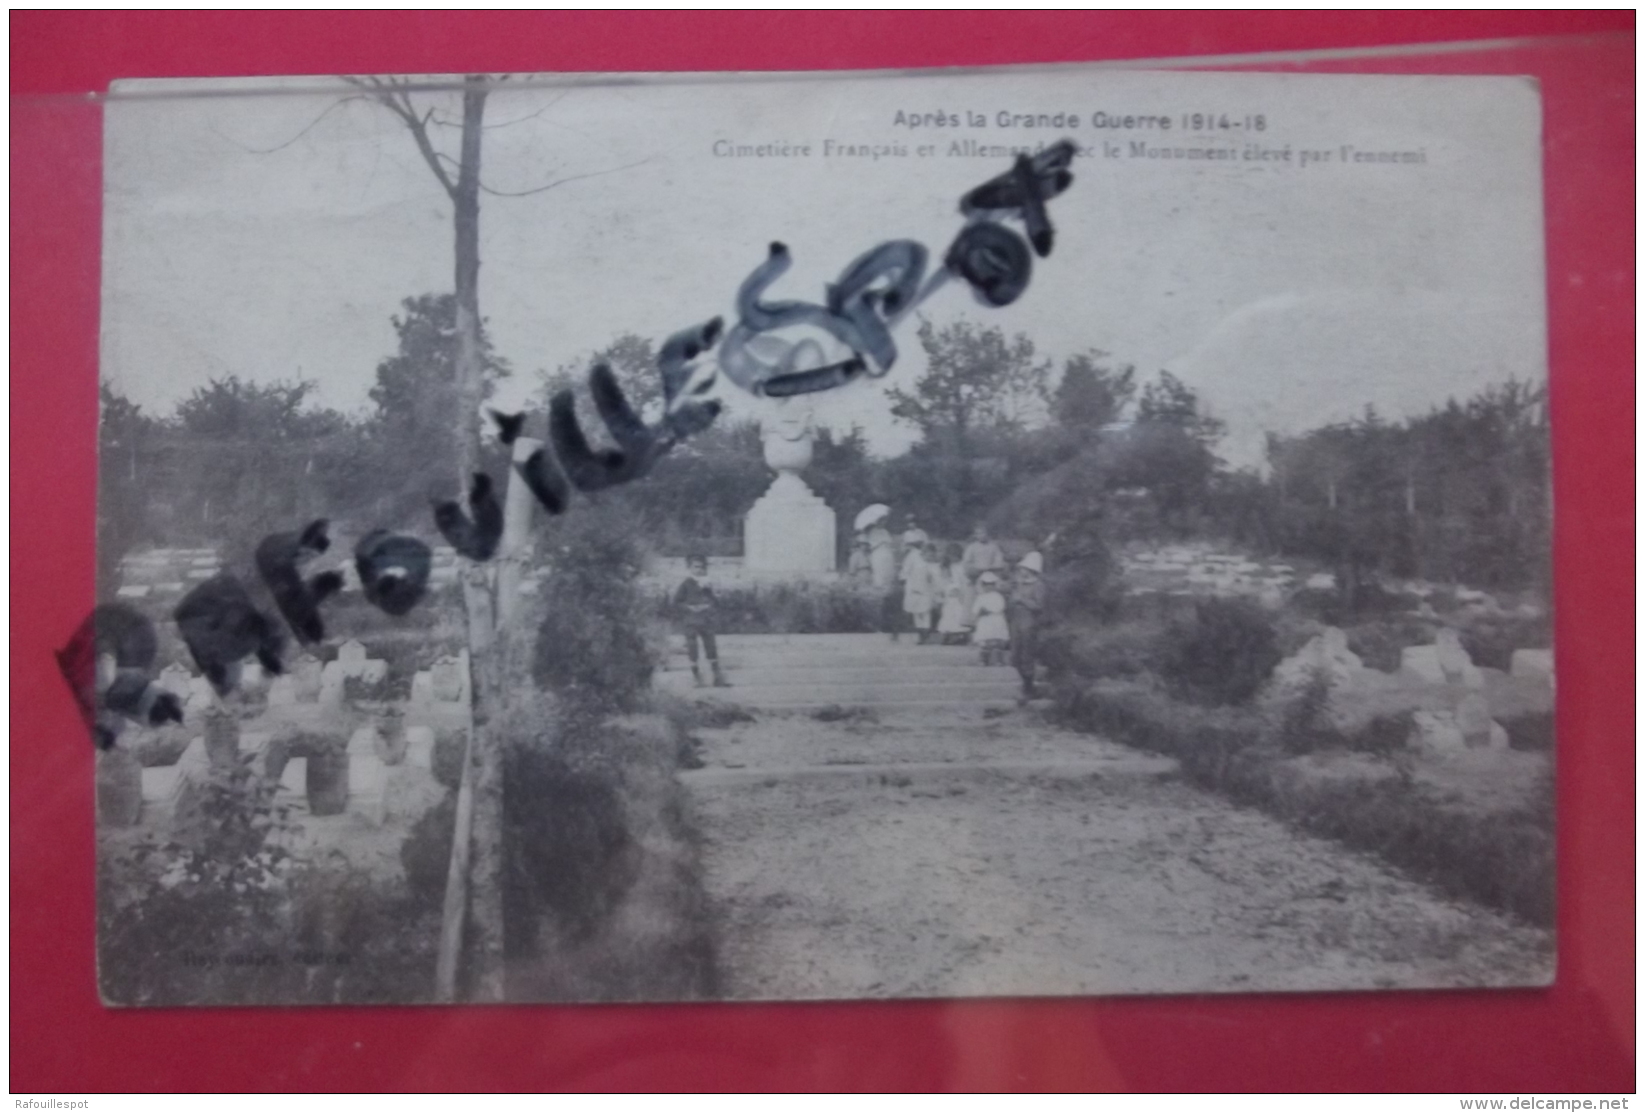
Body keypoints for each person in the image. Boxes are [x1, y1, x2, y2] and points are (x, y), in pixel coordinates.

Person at [674, 554, 729, 688]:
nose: (699, 570)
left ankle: (717, 677)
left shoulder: (707, 584)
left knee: (711, 647)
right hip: (691, 621)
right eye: (696, 567)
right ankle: (697, 678)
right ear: (690, 568)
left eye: (702, 567)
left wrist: (711, 601)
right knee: (693, 649)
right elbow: (677, 602)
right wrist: (689, 608)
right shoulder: (686, 584)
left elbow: (715, 602)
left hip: (706, 621)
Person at [1007, 550, 1046, 702]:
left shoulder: (1038, 585)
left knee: (1027, 656)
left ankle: (1029, 687)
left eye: (1024, 569)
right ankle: (1026, 683)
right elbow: (1011, 602)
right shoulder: (1018, 584)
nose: (1021, 571)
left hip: (1029, 623)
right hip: (1016, 622)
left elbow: (1039, 606)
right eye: (1021, 569)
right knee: (1015, 656)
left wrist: (1022, 600)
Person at [900, 536, 939, 644]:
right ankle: (920, 633)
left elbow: (935, 579)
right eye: (928, 555)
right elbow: (906, 572)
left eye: (932, 555)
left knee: (926, 612)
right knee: (917, 613)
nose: (930, 557)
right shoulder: (914, 558)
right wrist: (905, 581)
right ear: (923, 552)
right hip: (914, 589)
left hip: (926, 591)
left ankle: (926, 633)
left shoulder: (932, 565)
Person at [936, 543, 974, 645]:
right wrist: (947, 589)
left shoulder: (962, 566)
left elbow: (965, 580)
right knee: (948, 614)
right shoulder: (948, 567)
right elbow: (945, 580)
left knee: (960, 613)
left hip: (962, 592)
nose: (953, 558)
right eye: (951, 556)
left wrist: (961, 591)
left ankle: (963, 635)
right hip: (950, 592)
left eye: (955, 556)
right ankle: (947, 635)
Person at [971, 571, 1010, 665]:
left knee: (996, 641)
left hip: (996, 619)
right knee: (984, 642)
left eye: (991, 584)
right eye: (986, 585)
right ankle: (983, 660)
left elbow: (1000, 607)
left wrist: (989, 610)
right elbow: (975, 609)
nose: (989, 587)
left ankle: (998, 660)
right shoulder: (980, 597)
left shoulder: (998, 596)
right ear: (982, 585)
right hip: (985, 621)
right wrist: (979, 612)